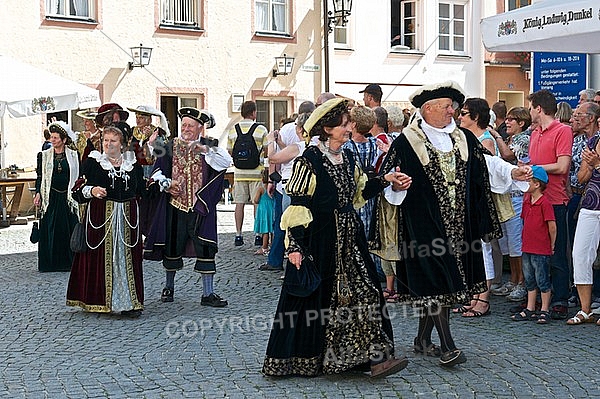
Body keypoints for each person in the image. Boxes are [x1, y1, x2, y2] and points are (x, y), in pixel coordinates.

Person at [374, 81, 530, 366]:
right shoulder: (406, 142)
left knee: (443, 282)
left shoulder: (463, 138)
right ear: (428, 108)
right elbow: (388, 178)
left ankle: (422, 340)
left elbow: (487, 164)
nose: (452, 111)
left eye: (454, 106)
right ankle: (448, 346)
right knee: (438, 282)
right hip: (423, 225)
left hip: (460, 225)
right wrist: (396, 185)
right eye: (447, 106)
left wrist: (513, 172)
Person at [262, 98, 411, 378]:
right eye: (344, 124)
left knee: (367, 292)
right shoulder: (310, 160)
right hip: (320, 240)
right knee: (322, 301)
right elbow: (298, 204)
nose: (349, 128)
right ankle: (312, 359)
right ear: (327, 129)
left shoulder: (349, 157)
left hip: (350, 240)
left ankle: (375, 359)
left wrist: (387, 179)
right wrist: (295, 246)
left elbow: (360, 193)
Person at [144, 107, 231, 307]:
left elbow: (226, 162)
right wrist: (167, 185)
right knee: (171, 246)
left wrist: (206, 150)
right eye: (184, 124)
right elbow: (157, 172)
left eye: (190, 125)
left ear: (200, 127)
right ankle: (168, 287)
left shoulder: (210, 145)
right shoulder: (168, 145)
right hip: (175, 205)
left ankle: (208, 293)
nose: (186, 128)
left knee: (206, 247)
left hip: (200, 206)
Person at [66, 122, 145, 317]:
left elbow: (142, 190)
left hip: (127, 219)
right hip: (101, 219)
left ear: (122, 144)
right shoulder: (93, 163)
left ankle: (130, 303)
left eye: (113, 141)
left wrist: (164, 185)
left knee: (126, 260)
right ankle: (100, 301)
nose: (108, 144)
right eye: (105, 140)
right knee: (102, 259)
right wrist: (92, 190)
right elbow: (76, 191)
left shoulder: (132, 164)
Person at [528, 89, 573, 320]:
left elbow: (562, 166)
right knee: (535, 253)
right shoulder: (535, 132)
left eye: (530, 107)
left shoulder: (563, 130)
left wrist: (533, 169)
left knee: (555, 251)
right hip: (535, 199)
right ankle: (537, 301)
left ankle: (560, 299)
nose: (529, 112)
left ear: (538, 108)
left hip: (555, 199)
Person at [261, 102, 316, 272]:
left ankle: (285, 263)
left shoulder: (296, 143)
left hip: (289, 186)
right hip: (310, 189)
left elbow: (274, 158)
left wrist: (271, 142)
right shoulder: (317, 145)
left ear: (299, 127)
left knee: (286, 226)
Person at [511, 166, 556, 324]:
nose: (525, 184)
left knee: (542, 278)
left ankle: (544, 309)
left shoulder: (544, 203)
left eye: (528, 181)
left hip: (540, 248)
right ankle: (530, 308)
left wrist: (552, 244)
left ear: (537, 184)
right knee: (529, 278)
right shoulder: (527, 202)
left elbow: (552, 226)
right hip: (527, 247)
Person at [33, 121, 80, 272]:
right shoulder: (44, 155)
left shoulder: (73, 155)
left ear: (64, 140)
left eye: (55, 138)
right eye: (51, 137)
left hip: (68, 197)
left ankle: (68, 263)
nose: (52, 140)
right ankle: (50, 264)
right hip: (50, 196)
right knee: (50, 229)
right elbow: (40, 176)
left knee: (67, 228)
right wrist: (38, 193)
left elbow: (77, 175)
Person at [227, 100, 269, 247]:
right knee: (257, 203)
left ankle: (238, 235)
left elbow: (230, 151)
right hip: (256, 171)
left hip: (239, 172)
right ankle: (258, 235)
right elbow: (267, 150)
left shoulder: (233, 129)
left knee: (239, 204)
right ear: (253, 113)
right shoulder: (261, 129)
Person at [568, 132, 600, 325]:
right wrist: (589, 165)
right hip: (590, 203)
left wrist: (597, 164)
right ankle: (585, 309)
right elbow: (580, 178)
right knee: (579, 255)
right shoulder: (594, 140)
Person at [253, 171, 274, 256]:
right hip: (272, 209)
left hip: (264, 211)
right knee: (272, 229)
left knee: (265, 230)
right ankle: (273, 246)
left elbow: (256, 200)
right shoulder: (273, 188)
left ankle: (264, 247)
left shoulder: (261, 189)